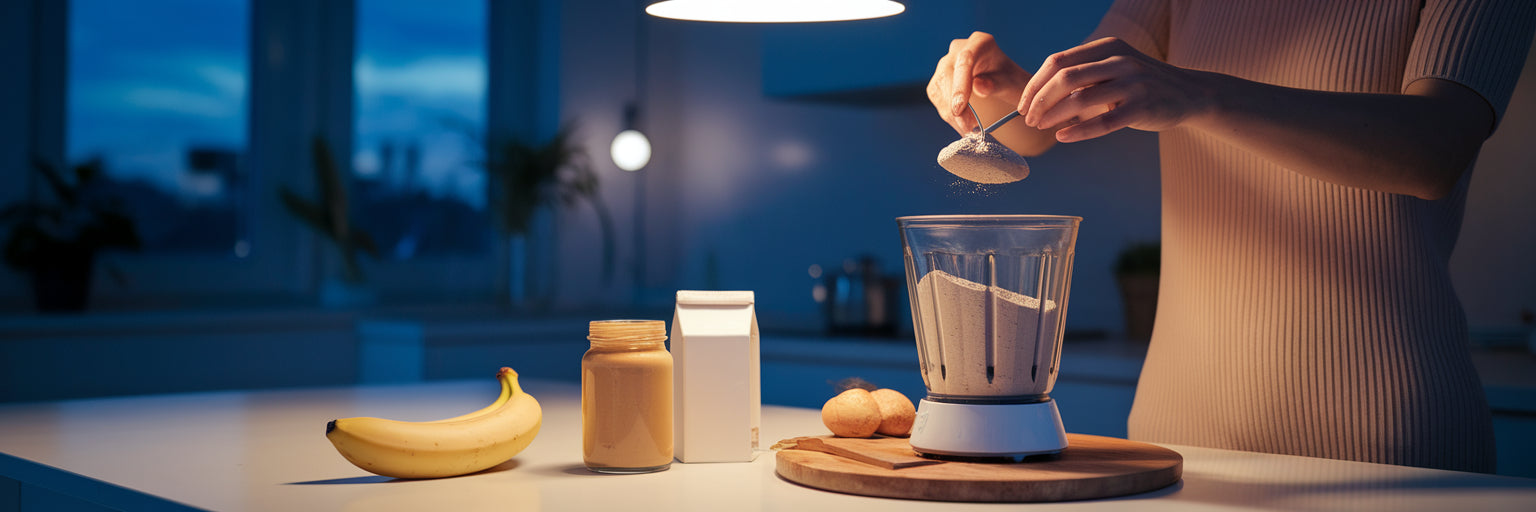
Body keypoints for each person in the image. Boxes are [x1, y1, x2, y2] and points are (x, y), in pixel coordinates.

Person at [928, 0, 1536, 473]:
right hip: (1180, 434)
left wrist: (1197, 92)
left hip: (1387, 440)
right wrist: (1004, 86)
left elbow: (1433, 150)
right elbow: (1056, 120)